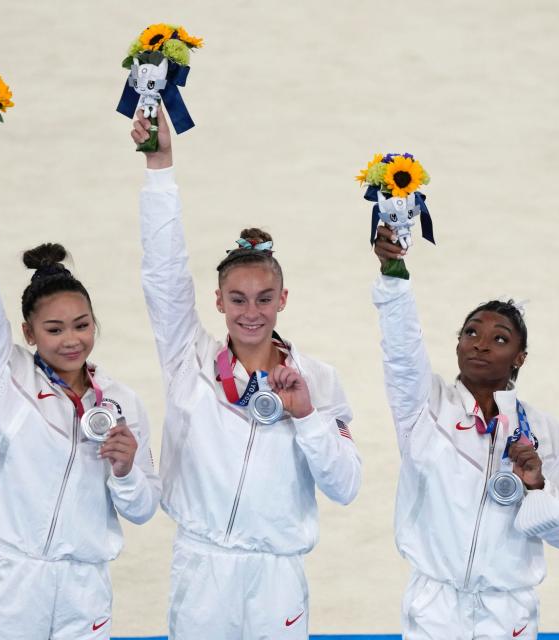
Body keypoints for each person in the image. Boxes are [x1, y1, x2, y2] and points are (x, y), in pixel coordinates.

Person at [130, 109, 362, 639]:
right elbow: (163, 275)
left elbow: (346, 486)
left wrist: (306, 418)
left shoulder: (317, 380)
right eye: (237, 299)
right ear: (218, 301)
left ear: (283, 299)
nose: (250, 311)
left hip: (277, 574)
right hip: (201, 565)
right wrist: (159, 168)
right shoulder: (188, 357)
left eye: (263, 298)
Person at [0, 145, 161, 639]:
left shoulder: (120, 403)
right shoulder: (1, 375)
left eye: (82, 325)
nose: (71, 339)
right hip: (12, 576)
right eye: (54, 330)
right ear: (29, 334)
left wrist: (124, 469)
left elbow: (141, 509)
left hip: (86, 585)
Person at [371, 225, 559, 640]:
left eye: (498, 339)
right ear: (457, 344)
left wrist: (537, 486)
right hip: (434, 605)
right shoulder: (425, 405)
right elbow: (401, 351)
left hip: (510, 612)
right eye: (471, 333)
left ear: (519, 357)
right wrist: (393, 275)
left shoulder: (542, 431)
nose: (480, 345)